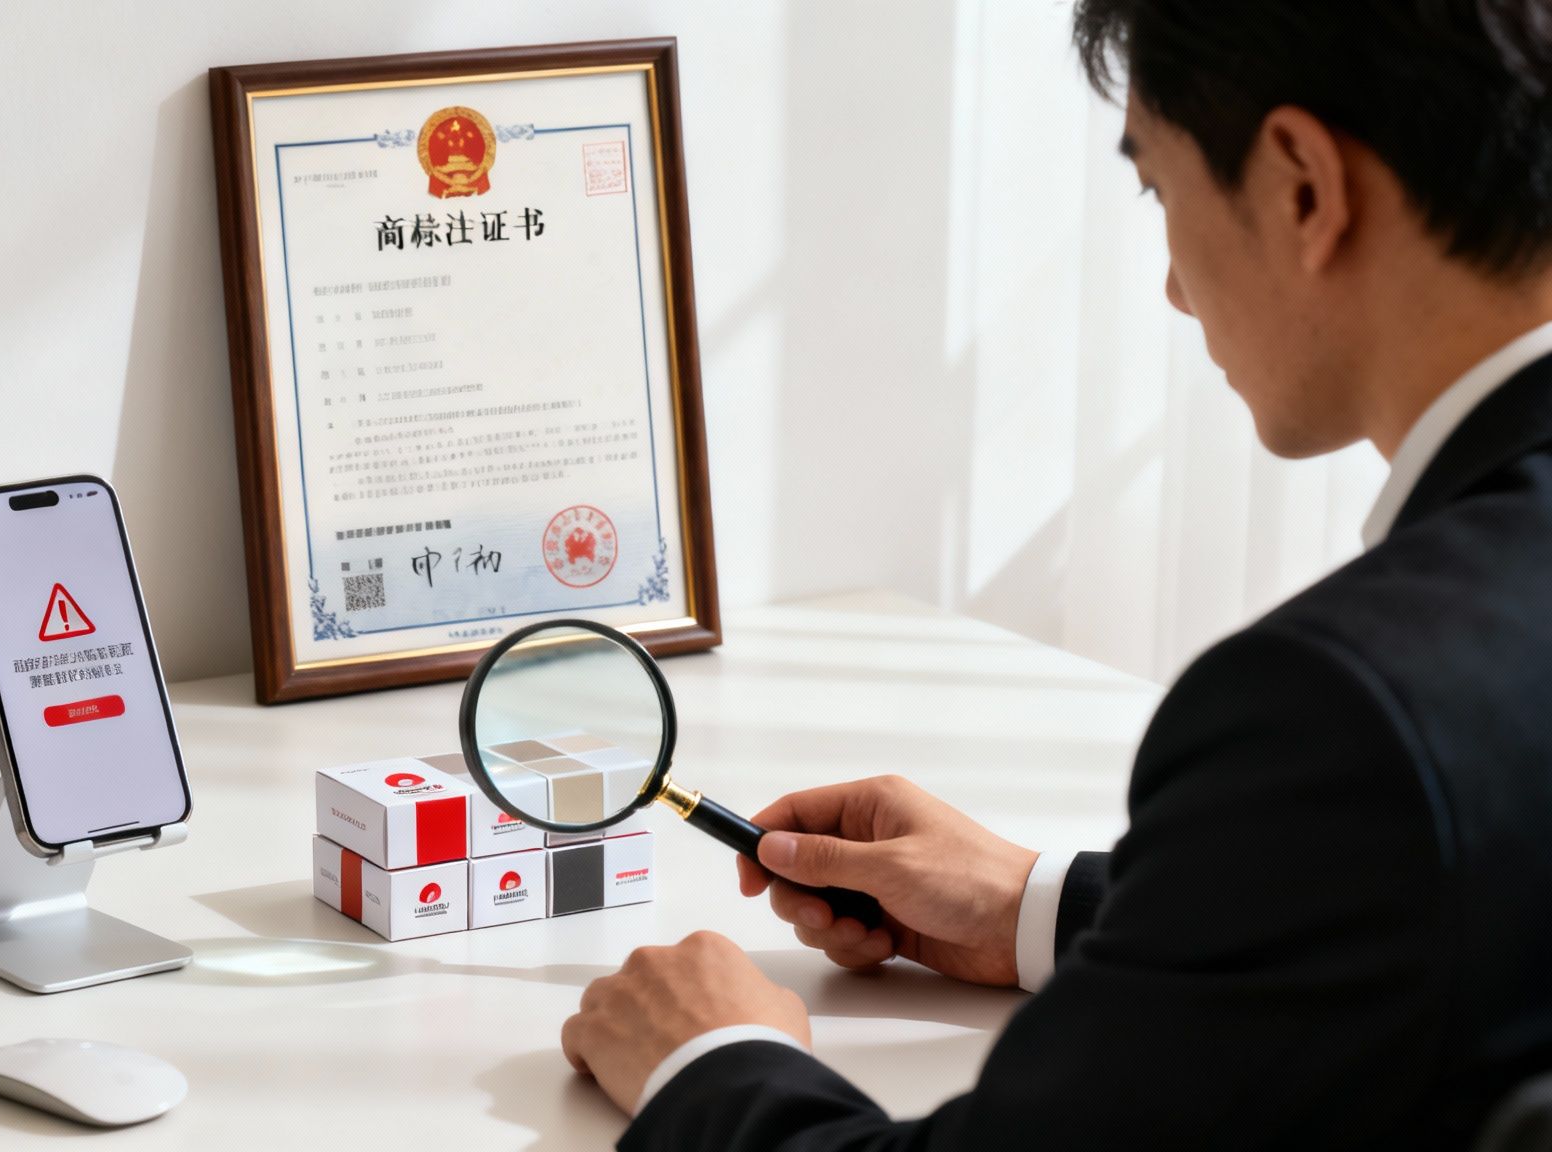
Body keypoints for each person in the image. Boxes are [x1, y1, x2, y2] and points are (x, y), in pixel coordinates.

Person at [559, 1, 1552, 1147]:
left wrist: (707, 1058)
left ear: (1299, 186)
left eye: (1156, 191)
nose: (1172, 288)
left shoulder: (1340, 710)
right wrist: (1037, 906)